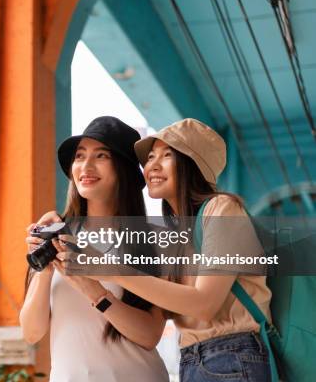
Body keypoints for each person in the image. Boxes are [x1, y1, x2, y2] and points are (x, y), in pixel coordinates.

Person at [85, 118, 272, 381]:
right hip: (192, 360)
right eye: (150, 157)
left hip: (231, 355)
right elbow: (159, 312)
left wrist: (114, 272)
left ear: (192, 164)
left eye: (167, 155)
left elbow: (204, 304)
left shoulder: (222, 210)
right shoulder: (174, 235)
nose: (152, 165)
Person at [19, 116, 169, 382]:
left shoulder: (152, 240)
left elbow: (149, 335)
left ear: (123, 168)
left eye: (101, 156)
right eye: (79, 156)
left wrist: (92, 289)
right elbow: (31, 332)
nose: (85, 166)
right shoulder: (57, 232)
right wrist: (47, 257)